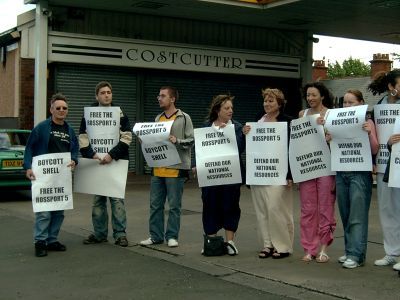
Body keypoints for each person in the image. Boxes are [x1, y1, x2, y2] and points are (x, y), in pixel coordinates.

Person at [23, 93, 79, 257]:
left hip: (62, 178)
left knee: (59, 211)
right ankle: (40, 242)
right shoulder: (41, 128)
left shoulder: (69, 130)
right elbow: (29, 148)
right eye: (58, 108)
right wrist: (28, 167)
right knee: (44, 211)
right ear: (51, 110)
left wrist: (74, 160)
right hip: (43, 177)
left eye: (64, 108)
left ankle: (52, 240)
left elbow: (74, 149)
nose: (62, 110)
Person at [79, 81, 132, 247]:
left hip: (116, 163)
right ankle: (100, 234)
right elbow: (82, 138)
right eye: (103, 92)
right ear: (97, 96)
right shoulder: (88, 114)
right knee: (98, 201)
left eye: (109, 92)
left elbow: (127, 137)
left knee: (117, 201)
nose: (107, 95)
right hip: (96, 164)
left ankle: (120, 235)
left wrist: (111, 155)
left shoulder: (120, 114)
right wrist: (93, 155)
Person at [140, 86, 194, 247]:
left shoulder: (184, 118)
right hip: (158, 168)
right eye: (158, 95)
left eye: (162, 96)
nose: (159, 98)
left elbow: (192, 140)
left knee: (174, 206)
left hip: (175, 169)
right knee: (155, 205)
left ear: (172, 99)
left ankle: (172, 236)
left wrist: (177, 141)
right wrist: (145, 141)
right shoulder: (158, 119)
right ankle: (155, 236)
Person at [242, 88, 293, 259]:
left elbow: (292, 149)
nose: (267, 103)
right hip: (258, 173)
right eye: (265, 100)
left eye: (271, 100)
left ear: (279, 103)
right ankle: (267, 244)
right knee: (262, 211)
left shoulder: (287, 122)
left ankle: (283, 246)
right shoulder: (257, 120)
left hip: (278, 173)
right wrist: (245, 133)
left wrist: (290, 174)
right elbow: (248, 147)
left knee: (275, 208)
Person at [330, 90, 378, 268]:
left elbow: (375, 149)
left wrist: (368, 133)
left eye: (351, 102)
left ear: (361, 103)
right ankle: (350, 250)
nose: (347, 106)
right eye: (345, 103)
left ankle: (356, 255)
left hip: (360, 173)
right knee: (346, 213)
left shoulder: (368, 122)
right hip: (342, 172)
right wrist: (329, 139)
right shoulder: (337, 122)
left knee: (357, 215)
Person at [193, 94, 245, 255]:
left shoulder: (236, 127)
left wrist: (238, 133)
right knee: (210, 207)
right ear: (217, 110)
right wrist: (196, 165)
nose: (230, 111)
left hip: (231, 177)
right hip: (210, 177)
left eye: (231, 108)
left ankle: (230, 242)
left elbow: (240, 148)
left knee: (230, 206)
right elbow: (199, 149)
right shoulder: (206, 126)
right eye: (227, 108)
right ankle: (211, 242)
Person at [298, 82, 336, 263]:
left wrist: (326, 130)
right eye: (308, 95)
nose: (310, 98)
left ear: (322, 96)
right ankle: (309, 248)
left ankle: (323, 247)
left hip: (326, 167)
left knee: (325, 207)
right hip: (307, 167)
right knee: (308, 209)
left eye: (314, 95)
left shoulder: (331, 114)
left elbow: (335, 140)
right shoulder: (302, 115)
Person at [367, 69, 400, 268]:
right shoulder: (378, 108)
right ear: (391, 87)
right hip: (383, 166)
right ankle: (391, 252)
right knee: (387, 210)